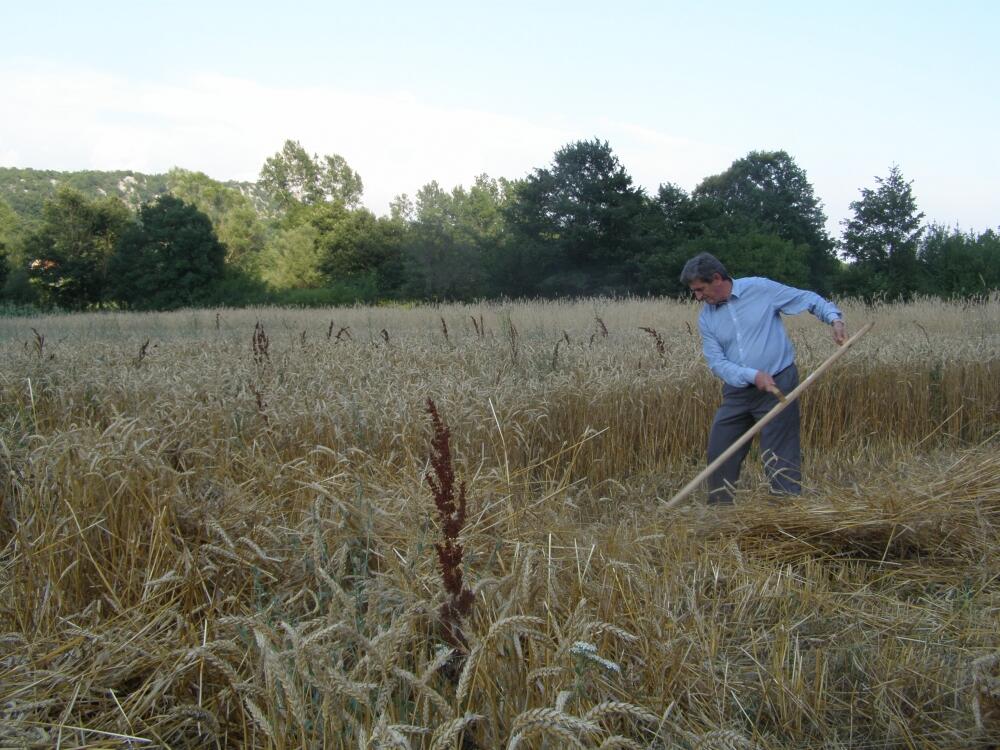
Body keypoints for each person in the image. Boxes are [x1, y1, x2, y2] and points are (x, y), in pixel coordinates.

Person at [680, 253, 847, 503]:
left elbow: (806, 299)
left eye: (700, 289)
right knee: (720, 449)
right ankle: (718, 514)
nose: (698, 297)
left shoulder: (761, 289)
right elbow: (716, 363)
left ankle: (787, 510)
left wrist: (834, 319)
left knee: (779, 453)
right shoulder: (707, 317)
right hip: (737, 391)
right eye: (694, 292)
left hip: (778, 383)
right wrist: (752, 375)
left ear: (716, 278)